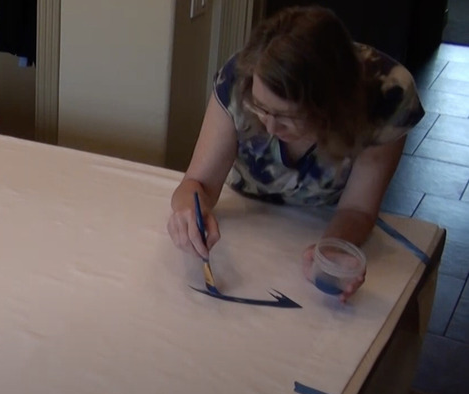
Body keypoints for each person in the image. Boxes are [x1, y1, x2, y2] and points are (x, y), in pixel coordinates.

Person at [167, 5, 425, 303]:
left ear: (333, 105)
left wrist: (331, 250)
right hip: (247, 216)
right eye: (260, 107)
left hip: (323, 220)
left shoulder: (386, 97)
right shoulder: (236, 78)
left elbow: (358, 210)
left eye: (289, 116)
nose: (270, 125)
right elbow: (197, 183)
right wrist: (188, 210)